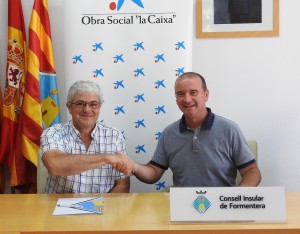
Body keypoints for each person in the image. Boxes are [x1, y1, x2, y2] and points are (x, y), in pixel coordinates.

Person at [115, 72, 261, 187]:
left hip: (222, 208)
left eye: (193, 92)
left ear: (206, 95)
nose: (187, 99)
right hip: (182, 209)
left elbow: (252, 172)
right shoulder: (169, 133)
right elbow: (153, 173)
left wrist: (236, 197)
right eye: (180, 94)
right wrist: (133, 166)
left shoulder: (230, 129)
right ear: (176, 99)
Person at [40, 80, 131, 193]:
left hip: (103, 206)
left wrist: (107, 208)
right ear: (69, 107)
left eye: (93, 104)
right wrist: (107, 158)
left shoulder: (115, 136)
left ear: (99, 108)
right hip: (59, 207)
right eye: (80, 103)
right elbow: (54, 165)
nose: (87, 110)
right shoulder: (53, 132)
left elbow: (122, 184)